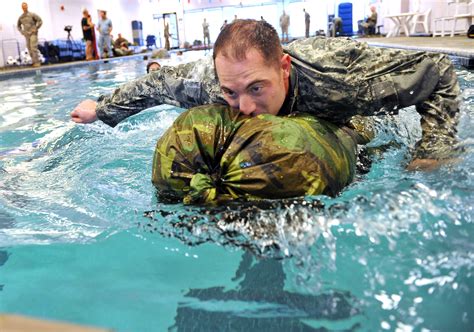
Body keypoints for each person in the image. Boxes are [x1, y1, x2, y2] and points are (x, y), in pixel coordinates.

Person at [71, 19, 461, 170]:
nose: (244, 107)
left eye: (257, 88)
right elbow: (156, 84)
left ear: (284, 69)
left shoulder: (341, 77)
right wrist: (101, 110)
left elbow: (439, 71)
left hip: (348, 116)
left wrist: (433, 150)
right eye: (232, 92)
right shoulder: (213, 83)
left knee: (364, 140)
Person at [17, 2, 42, 67]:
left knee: (33, 47)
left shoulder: (32, 14)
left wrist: (36, 28)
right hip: (26, 34)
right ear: (22, 8)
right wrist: (22, 32)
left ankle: (37, 62)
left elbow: (40, 21)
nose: (24, 7)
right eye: (23, 6)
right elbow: (18, 26)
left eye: (25, 6)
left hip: (33, 33)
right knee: (29, 48)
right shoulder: (21, 17)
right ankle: (34, 62)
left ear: (27, 6)